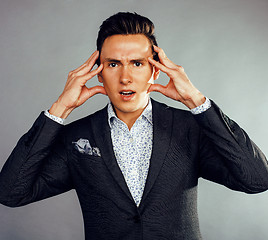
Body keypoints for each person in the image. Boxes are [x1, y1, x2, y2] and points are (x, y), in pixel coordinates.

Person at [0, 12, 267, 240]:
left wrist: (196, 100)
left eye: (137, 64)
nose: (125, 77)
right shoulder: (77, 137)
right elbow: (11, 193)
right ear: (99, 73)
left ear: (155, 71)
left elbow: (257, 179)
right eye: (113, 64)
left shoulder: (190, 127)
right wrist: (60, 108)